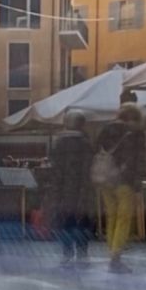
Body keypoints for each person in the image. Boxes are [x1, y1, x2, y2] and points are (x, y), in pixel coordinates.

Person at [94, 102, 146, 273]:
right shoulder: (136, 133)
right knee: (124, 218)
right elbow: (138, 160)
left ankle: (112, 252)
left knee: (111, 216)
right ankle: (116, 257)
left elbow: (95, 150)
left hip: (105, 179)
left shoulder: (105, 129)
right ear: (133, 118)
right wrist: (137, 184)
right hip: (124, 181)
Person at [50, 109, 95, 265]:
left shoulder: (58, 142)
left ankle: (66, 252)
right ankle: (82, 253)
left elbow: (55, 170)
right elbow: (88, 169)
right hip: (82, 190)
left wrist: (55, 192)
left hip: (62, 191)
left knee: (66, 222)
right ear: (82, 124)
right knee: (83, 223)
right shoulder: (85, 143)